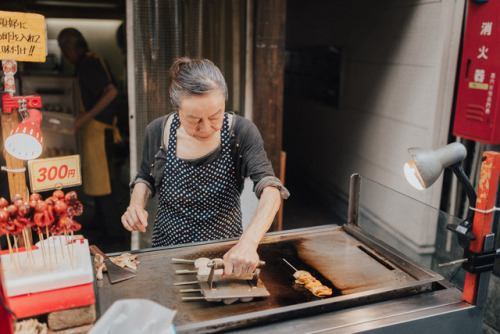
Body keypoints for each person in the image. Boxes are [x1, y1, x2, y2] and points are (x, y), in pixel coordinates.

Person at [121, 57, 289, 276]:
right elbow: (145, 177)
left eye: (215, 116)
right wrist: (136, 204)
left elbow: (270, 189)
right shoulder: (157, 131)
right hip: (169, 248)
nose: (206, 128)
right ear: (176, 109)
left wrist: (248, 242)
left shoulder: (241, 133)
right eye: (194, 119)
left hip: (225, 252)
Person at [57, 28, 123, 241]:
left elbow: (111, 91)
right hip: (95, 130)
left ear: (68, 49)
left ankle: (113, 232)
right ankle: (101, 223)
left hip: (99, 130)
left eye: (64, 51)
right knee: (98, 182)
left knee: (105, 183)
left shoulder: (89, 64)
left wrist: (84, 119)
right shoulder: (90, 61)